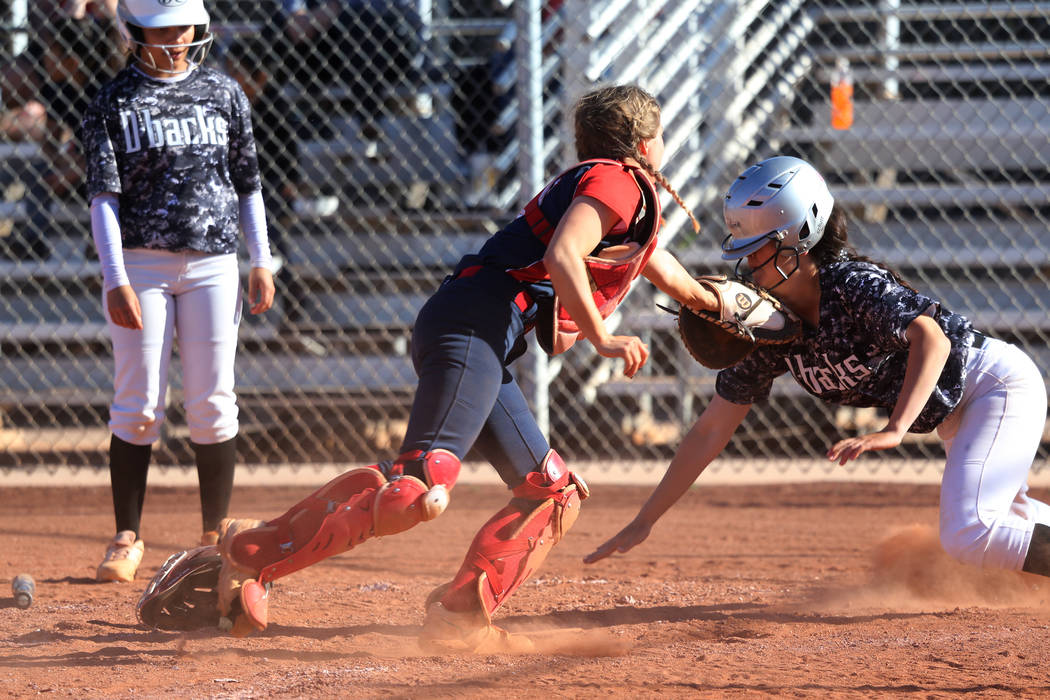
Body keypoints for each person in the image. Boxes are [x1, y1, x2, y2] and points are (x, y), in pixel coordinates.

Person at [194, 84, 792, 650]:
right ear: (642, 146)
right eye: (658, 135)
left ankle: (460, 618)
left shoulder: (622, 197)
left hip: (478, 333)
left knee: (552, 493)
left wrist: (741, 312)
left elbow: (670, 276)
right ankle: (254, 552)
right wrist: (604, 336)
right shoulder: (618, 181)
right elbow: (564, 255)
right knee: (419, 490)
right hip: (471, 326)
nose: (662, 148)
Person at [584, 155, 1050, 585]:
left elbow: (932, 337)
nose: (746, 265)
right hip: (958, 412)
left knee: (970, 532)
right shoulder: (773, 329)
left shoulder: (850, 284)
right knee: (1008, 522)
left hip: (992, 386)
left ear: (799, 238)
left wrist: (895, 428)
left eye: (758, 249)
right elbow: (710, 430)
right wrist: (647, 518)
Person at [81, 0, 276, 582]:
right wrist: (116, 275)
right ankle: (127, 535)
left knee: (213, 402)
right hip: (141, 264)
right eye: (160, 30)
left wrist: (261, 258)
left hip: (215, 263)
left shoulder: (224, 93)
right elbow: (104, 200)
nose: (174, 39)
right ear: (133, 33)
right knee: (138, 403)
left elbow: (248, 184)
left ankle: (216, 534)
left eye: (183, 28)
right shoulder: (113, 101)